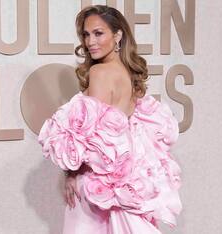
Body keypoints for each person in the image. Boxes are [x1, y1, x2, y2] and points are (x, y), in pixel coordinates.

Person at [38, 5, 182, 234]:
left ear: (118, 35)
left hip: (96, 184)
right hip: (121, 183)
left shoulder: (100, 73)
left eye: (98, 33)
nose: (90, 42)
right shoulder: (127, 73)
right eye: (86, 35)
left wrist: (72, 172)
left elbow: (91, 133)